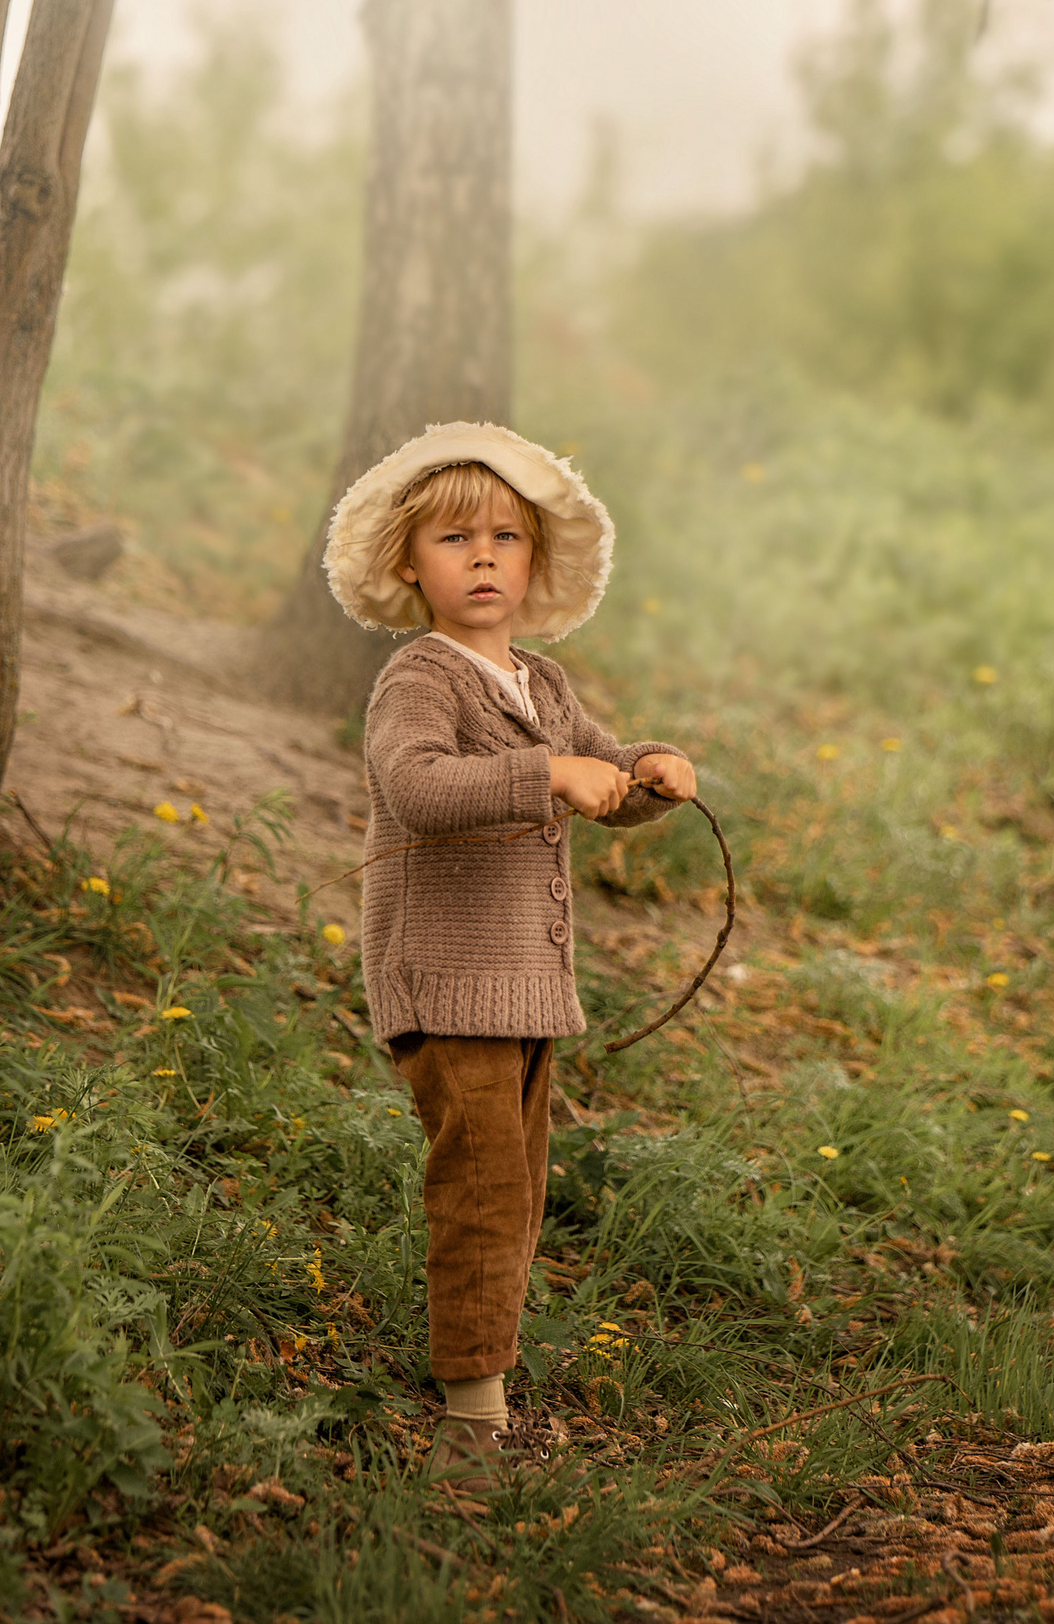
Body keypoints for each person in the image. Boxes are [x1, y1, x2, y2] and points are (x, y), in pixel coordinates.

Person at [323, 422, 699, 1488]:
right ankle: (470, 1420)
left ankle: (484, 1381)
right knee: (481, 1187)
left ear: (535, 562)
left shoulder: (540, 680)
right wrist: (546, 776)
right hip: (445, 983)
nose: (482, 557)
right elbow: (421, 789)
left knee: (518, 1189)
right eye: (453, 540)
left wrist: (644, 768)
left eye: (503, 538)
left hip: (524, 991)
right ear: (409, 564)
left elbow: (600, 769)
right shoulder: (420, 680)